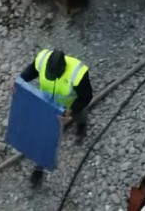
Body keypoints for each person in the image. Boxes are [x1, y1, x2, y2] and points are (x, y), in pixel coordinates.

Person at [20, 49, 94, 183]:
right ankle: (39, 168)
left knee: (80, 115)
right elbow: (30, 72)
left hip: (70, 106)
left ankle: (81, 126)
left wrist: (71, 111)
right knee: (44, 137)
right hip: (48, 107)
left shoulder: (78, 73)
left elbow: (86, 96)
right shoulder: (42, 59)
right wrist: (18, 81)